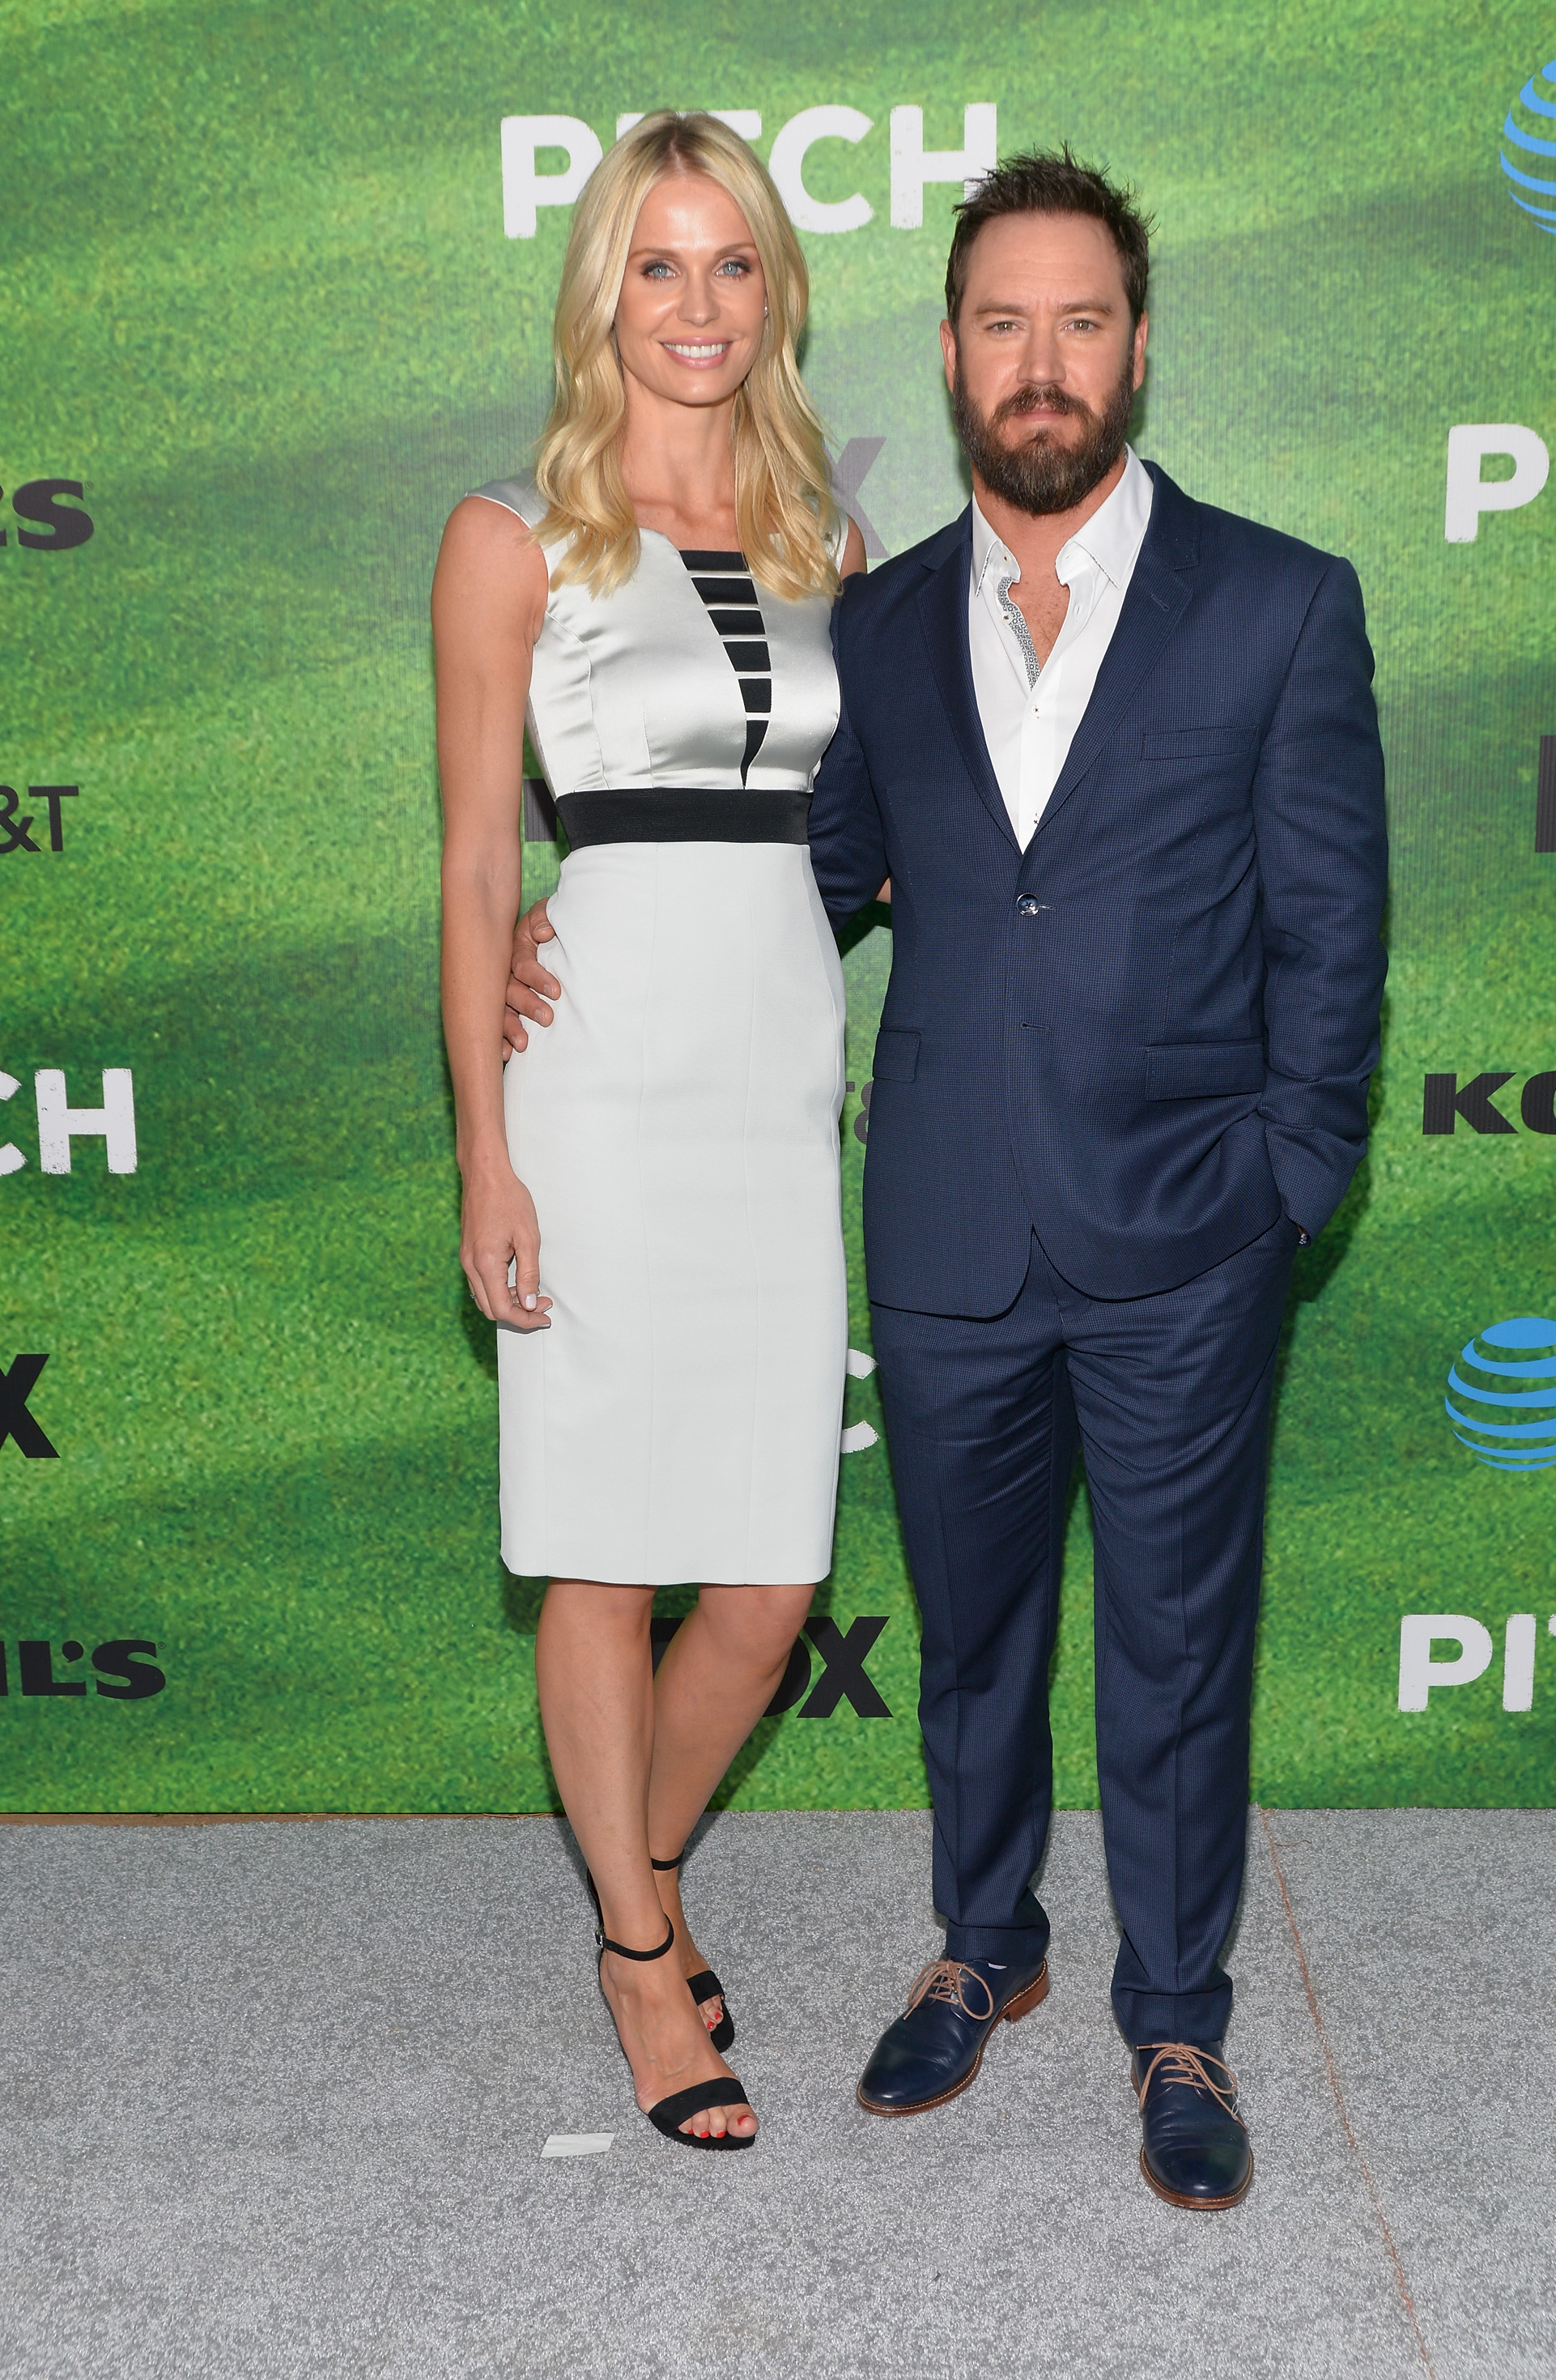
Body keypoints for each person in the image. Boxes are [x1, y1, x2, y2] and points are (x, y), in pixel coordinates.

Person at [508, 148, 1386, 2209]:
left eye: (1081, 320)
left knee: (1177, 1643)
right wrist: (579, 912)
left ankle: (1176, 2013)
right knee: (977, 1640)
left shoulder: (1278, 600)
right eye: (1003, 322)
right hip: (947, 1232)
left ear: (1137, 348)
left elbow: (1330, 934)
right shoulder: (872, 620)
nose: (1042, 362)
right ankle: (981, 1950)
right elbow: (791, 880)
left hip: (1188, 1235)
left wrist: (1288, 1179)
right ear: (952, 350)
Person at [435, 109, 865, 2152]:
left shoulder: (825, 540)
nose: (695, 306)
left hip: (778, 1081)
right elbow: (463, 871)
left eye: (732, 265)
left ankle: (643, 1866)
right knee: (600, 1552)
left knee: (767, 1582)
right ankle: (637, 1960)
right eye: (657, 265)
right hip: (592, 1082)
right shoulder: (511, 534)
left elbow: (867, 829)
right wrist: (484, 1157)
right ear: (601, 286)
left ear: (773, 292)